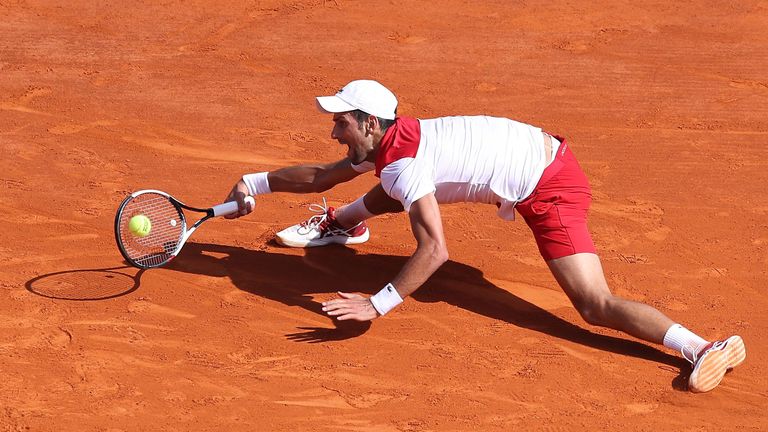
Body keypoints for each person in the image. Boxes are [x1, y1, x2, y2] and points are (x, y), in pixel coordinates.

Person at [224, 79, 745, 393]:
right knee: (390, 185)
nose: (333, 132)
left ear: (369, 124)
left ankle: (701, 347)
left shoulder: (403, 164)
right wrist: (252, 183)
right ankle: (344, 224)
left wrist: (377, 304)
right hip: (531, 151)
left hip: (550, 187)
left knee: (593, 303)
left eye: (340, 123)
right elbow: (324, 175)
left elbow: (434, 249)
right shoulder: (395, 143)